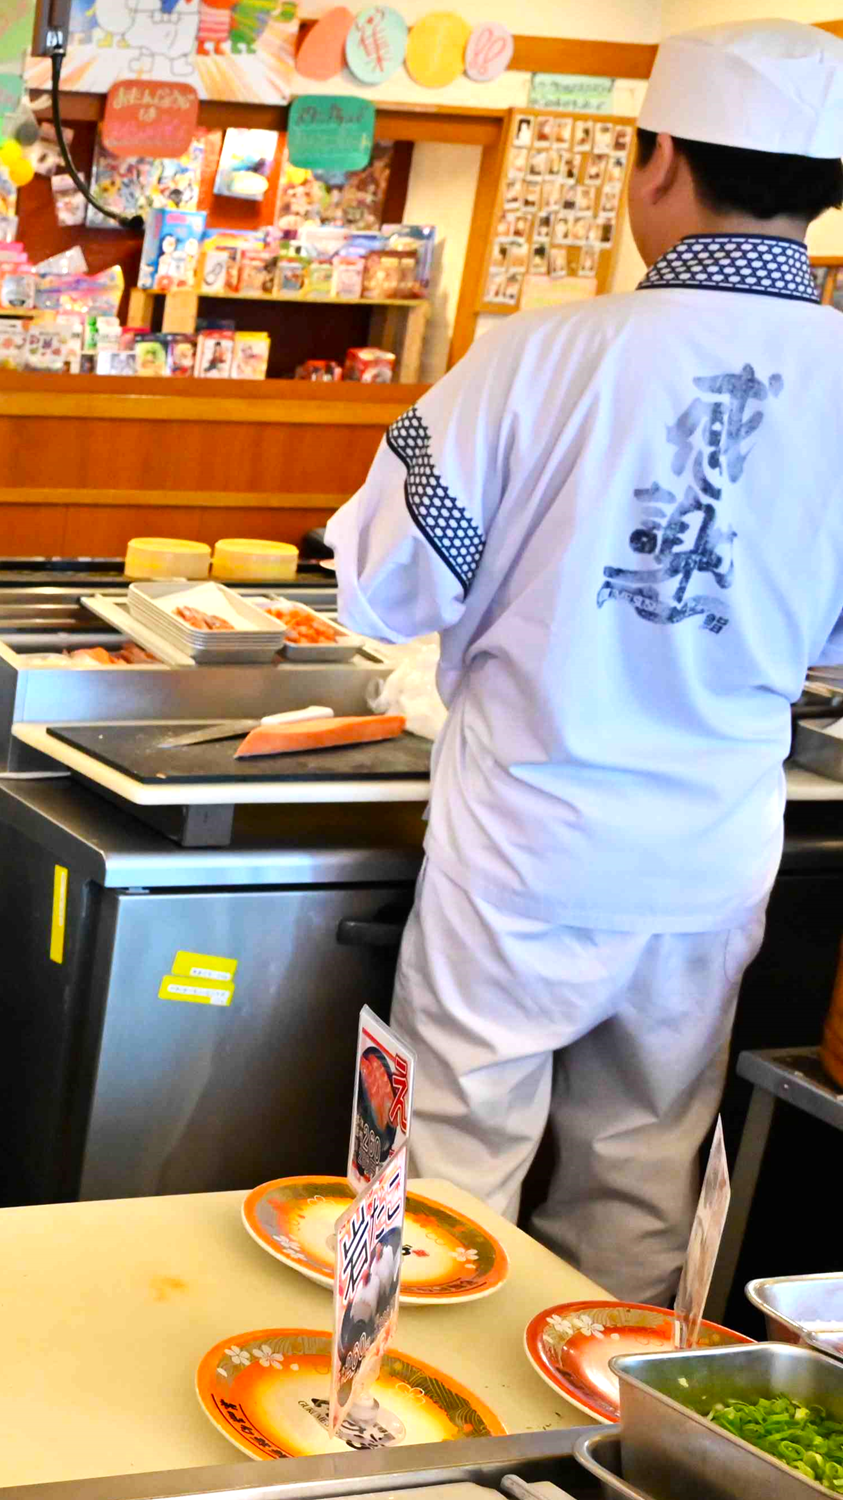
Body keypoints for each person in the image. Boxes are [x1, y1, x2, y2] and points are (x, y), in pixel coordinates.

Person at [325, 18, 843, 1303]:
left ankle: (418, 1459)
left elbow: (380, 585)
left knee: (444, 1181)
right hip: (707, 862)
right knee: (640, 1183)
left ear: (655, 160)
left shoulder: (537, 357)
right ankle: (595, 1452)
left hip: (523, 851)